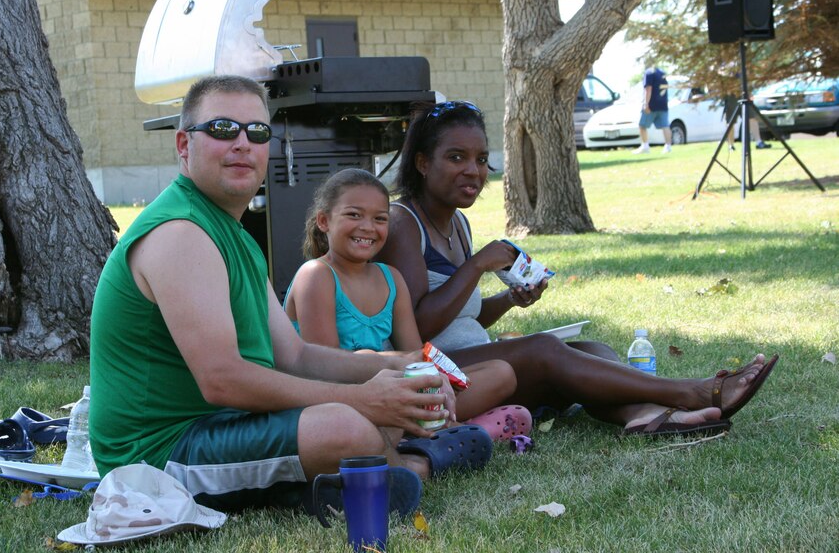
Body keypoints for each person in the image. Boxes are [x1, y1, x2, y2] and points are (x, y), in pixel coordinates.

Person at [88, 76, 484, 515]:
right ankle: (412, 466)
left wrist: (400, 364)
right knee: (345, 426)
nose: (243, 143)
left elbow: (294, 356)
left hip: (225, 425)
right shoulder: (181, 233)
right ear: (184, 144)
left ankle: (330, 479)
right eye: (222, 129)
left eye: (257, 132)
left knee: (370, 410)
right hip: (156, 456)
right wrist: (362, 399)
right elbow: (222, 380)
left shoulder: (231, 235)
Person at [376, 99, 779, 437]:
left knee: (592, 350)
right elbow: (417, 328)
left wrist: (509, 300)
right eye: (456, 157)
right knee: (545, 350)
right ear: (423, 163)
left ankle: (642, 415)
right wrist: (479, 264)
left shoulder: (457, 223)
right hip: (440, 375)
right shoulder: (402, 223)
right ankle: (691, 392)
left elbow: (465, 314)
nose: (474, 171)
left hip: (476, 360)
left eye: (481, 159)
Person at [284, 167, 532, 440]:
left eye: (379, 218)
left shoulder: (391, 279)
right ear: (323, 221)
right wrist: (402, 375)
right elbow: (326, 370)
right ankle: (452, 430)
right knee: (377, 420)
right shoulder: (316, 276)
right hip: (339, 402)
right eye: (354, 215)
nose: (367, 227)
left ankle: (436, 428)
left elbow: (416, 355)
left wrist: (436, 382)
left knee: (500, 373)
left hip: (391, 391)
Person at [633, 66, 672, 154]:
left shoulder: (648, 73)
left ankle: (645, 146)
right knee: (665, 126)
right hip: (663, 103)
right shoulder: (662, 72)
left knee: (642, 126)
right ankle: (668, 146)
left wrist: (646, 104)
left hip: (651, 104)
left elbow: (648, 89)